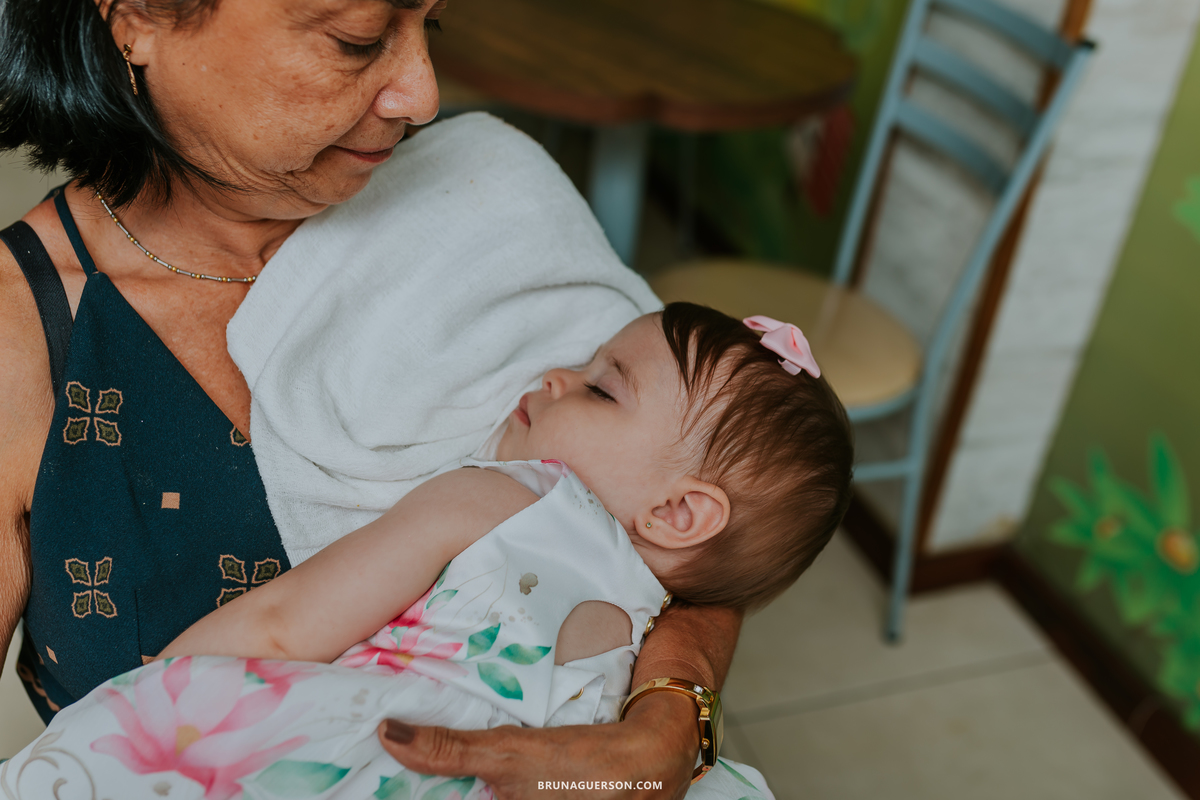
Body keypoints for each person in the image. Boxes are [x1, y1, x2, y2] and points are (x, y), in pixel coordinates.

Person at [0, 0, 743, 795]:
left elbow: (695, 501)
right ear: (138, 19)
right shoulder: (21, 336)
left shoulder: (489, 204)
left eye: (432, 24)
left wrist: (673, 714)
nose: (422, 95)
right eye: (356, 40)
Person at [1, 304, 853, 800]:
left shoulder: (510, 499)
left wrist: (161, 688)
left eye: (600, 388)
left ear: (679, 512)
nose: (554, 377)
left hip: (375, 753)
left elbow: (289, 622)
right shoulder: (659, 618)